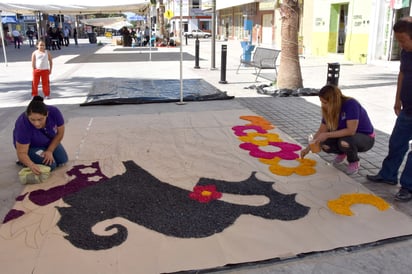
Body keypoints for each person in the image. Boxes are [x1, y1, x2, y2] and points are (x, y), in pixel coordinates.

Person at [367, 17, 412, 202]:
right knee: (396, 143)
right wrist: (397, 100)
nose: (401, 44)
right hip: (407, 109)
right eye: (398, 40)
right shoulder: (406, 53)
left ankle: (408, 187)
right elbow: (402, 74)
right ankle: (388, 175)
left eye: (403, 40)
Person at [301, 84, 375, 175]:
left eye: (325, 102)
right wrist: (308, 148)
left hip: (365, 138)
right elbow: (321, 131)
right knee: (324, 144)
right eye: (321, 102)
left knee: (344, 142)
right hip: (345, 136)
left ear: (333, 101)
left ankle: (353, 161)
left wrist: (327, 135)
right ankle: (342, 152)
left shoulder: (351, 104)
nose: (323, 105)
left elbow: (351, 130)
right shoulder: (328, 109)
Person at [13, 96, 68, 176]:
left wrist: (49, 151)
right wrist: (31, 165)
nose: (36, 123)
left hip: (48, 141)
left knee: (62, 160)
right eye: (32, 120)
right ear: (28, 116)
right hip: (31, 147)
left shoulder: (54, 112)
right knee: (51, 165)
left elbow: (60, 134)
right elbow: (21, 152)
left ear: (47, 114)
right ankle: (23, 161)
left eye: (40, 119)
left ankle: (42, 152)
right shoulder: (22, 124)